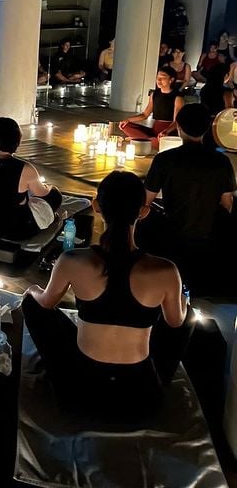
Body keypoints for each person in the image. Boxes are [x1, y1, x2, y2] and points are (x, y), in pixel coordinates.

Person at [22, 171, 191, 421]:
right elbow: (175, 323)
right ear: (143, 211)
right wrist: (184, 304)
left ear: (96, 206)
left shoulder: (72, 260)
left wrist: (32, 292)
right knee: (186, 316)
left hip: (81, 396)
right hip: (141, 401)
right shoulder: (165, 270)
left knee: (32, 304)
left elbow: (46, 303)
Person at [144, 104, 236, 294]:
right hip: (209, 235)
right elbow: (227, 204)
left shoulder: (165, 159)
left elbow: (145, 201)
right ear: (208, 128)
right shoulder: (221, 161)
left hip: (172, 234)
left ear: (179, 127)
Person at [0, 117, 62, 240]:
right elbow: (42, 193)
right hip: (14, 229)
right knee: (54, 195)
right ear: (17, 140)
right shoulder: (25, 168)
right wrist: (50, 187)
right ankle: (51, 217)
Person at [119, 66, 184, 150]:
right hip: (155, 130)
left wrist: (166, 131)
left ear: (171, 80)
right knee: (125, 126)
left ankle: (147, 140)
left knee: (160, 140)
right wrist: (128, 120)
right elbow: (145, 114)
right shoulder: (154, 94)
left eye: (163, 78)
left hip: (168, 132)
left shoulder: (177, 97)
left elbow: (176, 121)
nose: (159, 80)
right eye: (157, 78)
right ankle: (150, 141)